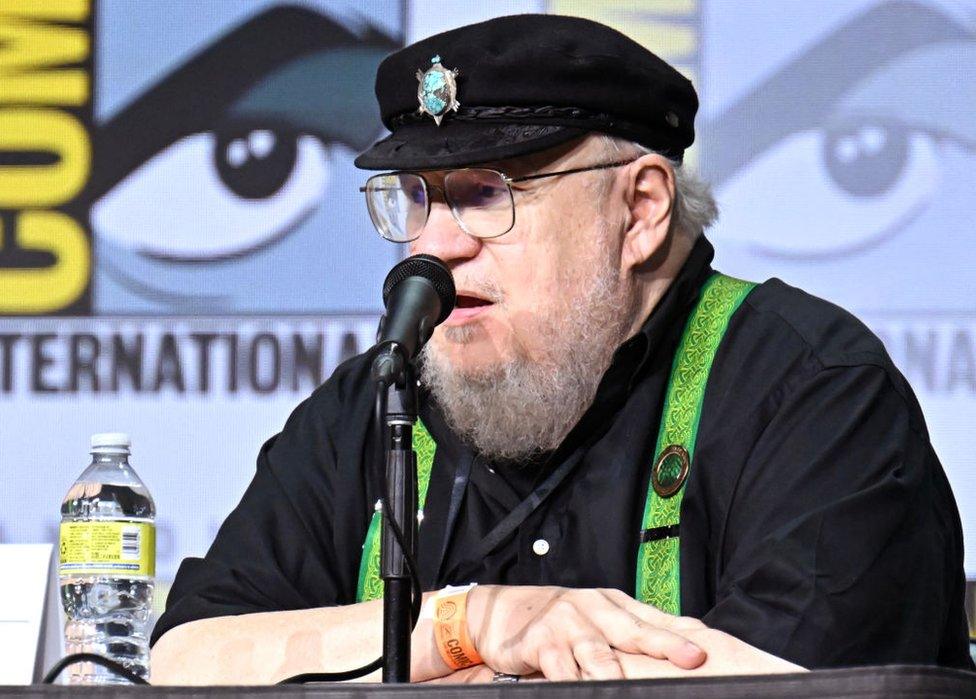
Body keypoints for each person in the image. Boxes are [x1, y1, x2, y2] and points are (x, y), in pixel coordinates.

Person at [150, 14, 972, 684]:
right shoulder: (375, 400)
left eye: (486, 193)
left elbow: (791, 686)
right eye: (414, 199)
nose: (434, 249)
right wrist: (467, 625)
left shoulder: (813, 392)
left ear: (641, 209)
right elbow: (187, 659)